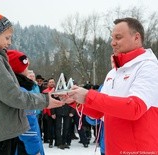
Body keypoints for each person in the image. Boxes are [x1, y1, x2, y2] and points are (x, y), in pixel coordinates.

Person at [0, 13, 63, 155]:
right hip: (1, 132)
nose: (9, 42)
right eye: (7, 37)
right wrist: (45, 101)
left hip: (0, 129)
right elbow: (11, 95)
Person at [61, 17, 158, 154]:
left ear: (136, 38)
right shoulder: (113, 73)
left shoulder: (148, 67)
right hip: (113, 149)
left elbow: (134, 108)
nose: (113, 43)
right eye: (112, 38)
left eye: (118, 37)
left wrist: (88, 95)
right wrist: (76, 101)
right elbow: (100, 112)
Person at [7, 50, 44, 155]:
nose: (28, 70)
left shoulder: (9, 89)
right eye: (26, 67)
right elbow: (28, 124)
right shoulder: (21, 92)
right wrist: (35, 150)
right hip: (23, 145)